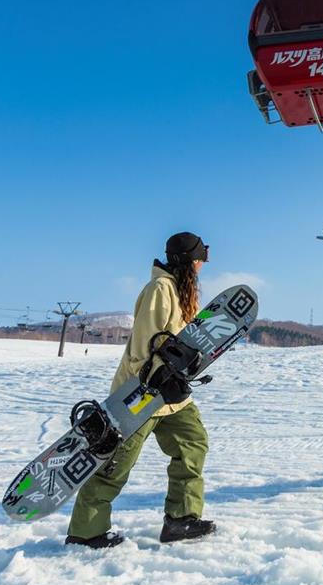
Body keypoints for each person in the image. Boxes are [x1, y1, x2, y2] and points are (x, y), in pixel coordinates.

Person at [66, 232, 215, 548]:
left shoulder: (182, 291)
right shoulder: (159, 289)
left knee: (192, 444)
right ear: (190, 261)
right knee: (116, 463)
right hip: (140, 394)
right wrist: (161, 378)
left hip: (172, 397)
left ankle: (181, 519)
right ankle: (85, 532)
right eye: (202, 257)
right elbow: (144, 346)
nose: (203, 264)